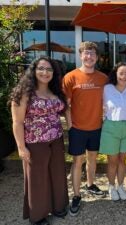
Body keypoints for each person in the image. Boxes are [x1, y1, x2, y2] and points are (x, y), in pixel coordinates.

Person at [10, 56, 69, 225]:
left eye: (49, 69)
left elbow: (64, 110)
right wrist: (21, 147)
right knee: (37, 178)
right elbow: (17, 122)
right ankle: (37, 215)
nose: (45, 72)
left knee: (57, 175)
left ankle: (58, 206)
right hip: (35, 142)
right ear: (34, 71)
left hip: (56, 139)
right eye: (41, 68)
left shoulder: (55, 91)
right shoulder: (24, 92)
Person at [63, 41, 108, 216]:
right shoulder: (70, 77)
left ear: (97, 57)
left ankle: (90, 184)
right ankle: (76, 195)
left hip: (96, 127)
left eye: (92, 54)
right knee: (77, 162)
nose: (89, 56)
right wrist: (70, 124)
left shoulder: (103, 78)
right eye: (86, 53)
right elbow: (65, 104)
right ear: (80, 55)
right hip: (78, 128)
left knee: (93, 159)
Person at [99, 62, 126, 201]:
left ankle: (121, 186)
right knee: (112, 161)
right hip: (111, 127)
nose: (124, 76)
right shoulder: (107, 88)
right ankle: (111, 186)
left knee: (122, 160)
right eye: (121, 73)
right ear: (115, 74)